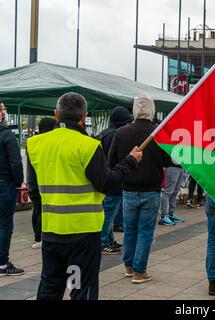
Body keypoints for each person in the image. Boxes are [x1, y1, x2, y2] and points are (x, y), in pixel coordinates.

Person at [27, 93, 142, 300]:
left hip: (51, 230)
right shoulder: (87, 146)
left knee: (50, 286)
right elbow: (106, 183)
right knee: (79, 287)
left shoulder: (35, 144)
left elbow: (33, 189)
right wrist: (130, 161)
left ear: (56, 114)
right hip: (82, 233)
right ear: (84, 116)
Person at [109, 95, 172, 284]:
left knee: (130, 230)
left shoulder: (120, 133)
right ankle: (139, 270)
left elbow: (112, 162)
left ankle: (128, 266)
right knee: (145, 231)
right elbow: (167, 161)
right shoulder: (158, 133)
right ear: (152, 110)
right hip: (151, 190)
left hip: (128, 189)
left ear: (134, 110)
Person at [98, 106, 133, 255]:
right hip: (114, 179)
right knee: (108, 213)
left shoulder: (104, 133)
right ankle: (103, 241)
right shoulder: (115, 135)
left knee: (109, 213)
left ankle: (109, 239)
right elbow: (117, 158)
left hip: (105, 178)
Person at [0, 102, 25, 276]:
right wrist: (19, 181)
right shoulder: (6, 135)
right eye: (2, 109)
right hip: (4, 183)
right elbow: (16, 162)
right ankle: (2, 263)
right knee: (4, 224)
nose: (5, 112)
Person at [27, 117, 57, 250]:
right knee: (42, 212)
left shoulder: (32, 142)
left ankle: (36, 237)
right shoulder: (46, 143)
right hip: (42, 182)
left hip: (32, 182)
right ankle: (39, 238)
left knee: (37, 210)